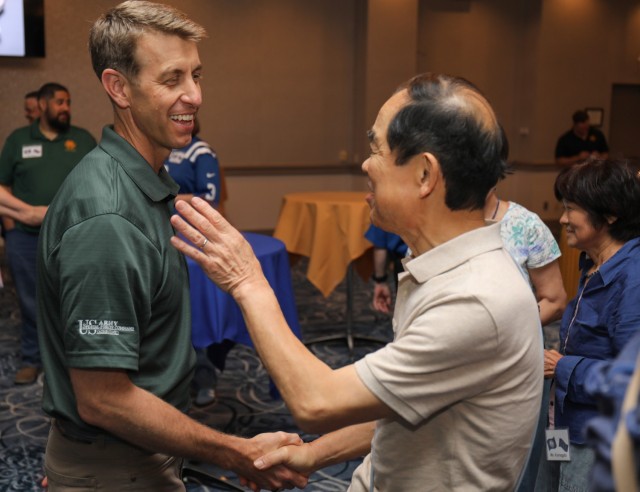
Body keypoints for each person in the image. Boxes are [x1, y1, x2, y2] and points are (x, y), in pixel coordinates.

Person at [172, 72, 544, 490]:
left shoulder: (477, 300)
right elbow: (408, 400)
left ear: (425, 175)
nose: (366, 164)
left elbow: (316, 401)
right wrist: (314, 454)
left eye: (377, 148)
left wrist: (247, 280)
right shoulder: (445, 267)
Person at [36, 2, 305, 491]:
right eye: (172, 79)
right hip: (118, 463)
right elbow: (102, 399)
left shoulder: (147, 180)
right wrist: (236, 451)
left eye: (196, 75)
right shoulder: (109, 217)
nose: (195, 95)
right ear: (119, 87)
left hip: (130, 453)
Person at [536, 158, 640, 491]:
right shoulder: (593, 264)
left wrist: (563, 367)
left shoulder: (632, 277)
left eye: (571, 209)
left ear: (609, 214)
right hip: (563, 422)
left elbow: (631, 381)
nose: (563, 218)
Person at [0, 82, 96, 385]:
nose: (65, 108)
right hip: (26, 238)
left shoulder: (82, 140)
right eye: (58, 102)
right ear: (41, 106)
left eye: (68, 102)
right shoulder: (18, 140)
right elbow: (3, 185)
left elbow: (99, 183)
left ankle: (72, 362)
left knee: (73, 300)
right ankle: (32, 358)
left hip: (74, 236)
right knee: (30, 300)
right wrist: (15, 223)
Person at [164, 117, 225, 406]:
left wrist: (168, 197)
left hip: (193, 239)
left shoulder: (201, 152)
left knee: (195, 311)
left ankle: (205, 378)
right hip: (162, 238)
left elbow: (209, 197)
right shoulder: (160, 149)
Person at [365, 224, 407, 313]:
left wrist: (380, 281)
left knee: (409, 313)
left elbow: (380, 245)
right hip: (438, 261)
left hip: (405, 267)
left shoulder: (390, 209)